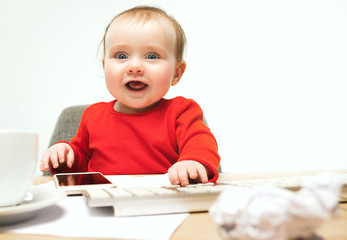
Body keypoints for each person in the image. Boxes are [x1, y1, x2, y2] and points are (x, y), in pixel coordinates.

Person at [40, 6, 220, 186]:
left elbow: (201, 144)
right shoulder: (92, 116)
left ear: (176, 73)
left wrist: (193, 162)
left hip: (163, 199)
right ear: (105, 66)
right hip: (105, 202)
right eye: (121, 55)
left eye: (151, 56)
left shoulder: (181, 111)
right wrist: (65, 155)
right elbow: (78, 168)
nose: (134, 66)